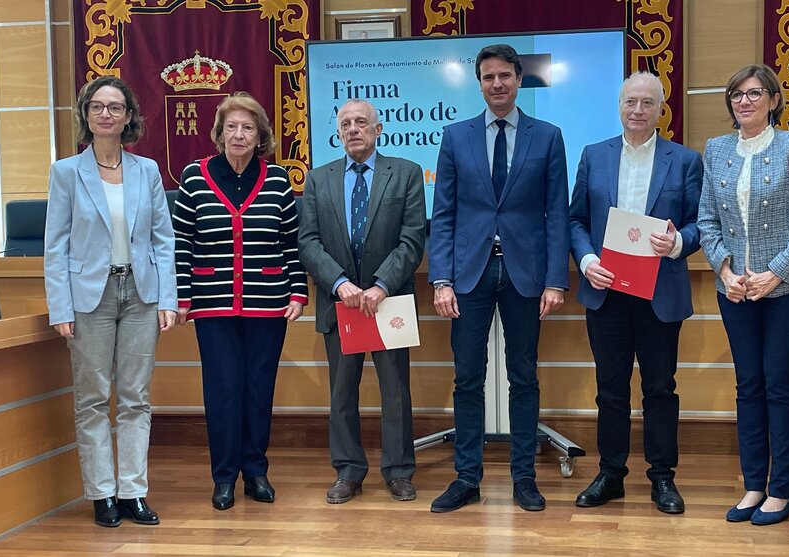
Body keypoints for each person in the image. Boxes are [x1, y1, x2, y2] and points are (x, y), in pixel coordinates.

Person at [428, 43, 569, 513]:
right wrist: (440, 279)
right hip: (468, 275)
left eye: (505, 76)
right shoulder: (456, 136)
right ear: (480, 82)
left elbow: (556, 215)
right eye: (488, 77)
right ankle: (466, 477)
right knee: (467, 378)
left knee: (523, 378)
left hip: (526, 274)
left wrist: (555, 279)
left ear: (518, 77)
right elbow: (443, 214)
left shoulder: (547, 136)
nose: (497, 84)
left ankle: (523, 478)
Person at [698, 64, 789, 525]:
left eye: (754, 93)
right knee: (748, 387)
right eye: (736, 94)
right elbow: (708, 221)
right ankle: (754, 485)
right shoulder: (715, 150)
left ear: (773, 99)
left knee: (780, 388)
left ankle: (781, 491)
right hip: (734, 291)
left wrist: (774, 275)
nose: (744, 102)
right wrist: (725, 268)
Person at [44, 76, 177, 528]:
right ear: (86, 114)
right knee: (94, 398)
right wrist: (60, 308)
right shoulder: (66, 172)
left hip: (139, 295)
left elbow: (163, 240)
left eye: (115, 107)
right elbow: (55, 246)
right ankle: (102, 494)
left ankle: (133, 492)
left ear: (128, 117)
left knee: (137, 398)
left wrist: (167, 297)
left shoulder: (148, 171)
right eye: (97, 106)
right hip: (89, 299)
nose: (106, 114)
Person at [568, 72, 702, 515]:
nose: (638, 111)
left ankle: (663, 477)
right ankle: (611, 474)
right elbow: (576, 221)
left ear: (661, 109)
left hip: (659, 292)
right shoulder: (594, 155)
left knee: (660, 388)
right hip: (606, 290)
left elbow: (702, 223)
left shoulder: (684, 161)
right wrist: (587, 262)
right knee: (610, 389)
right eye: (630, 102)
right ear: (619, 106)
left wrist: (678, 242)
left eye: (647, 103)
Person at [173, 92, 309, 510]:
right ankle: (224, 477)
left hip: (268, 303)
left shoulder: (278, 180)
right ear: (219, 133)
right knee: (222, 390)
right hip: (212, 304)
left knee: (258, 388)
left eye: (247, 127)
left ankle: (256, 471)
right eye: (231, 126)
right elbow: (181, 243)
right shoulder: (194, 177)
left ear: (260, 135)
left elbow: (292, 242)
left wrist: (298, 291)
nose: (238, 134)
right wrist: (181, 296)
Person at [298, 99, 426, 504]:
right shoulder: (318, 180)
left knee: (395, 392)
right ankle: (348, 470)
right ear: (338, 132)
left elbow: (412, 237)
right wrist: (339, 284)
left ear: (378, 128)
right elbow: (308, 241)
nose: (353, 129)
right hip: (341, 303)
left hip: (387, 301)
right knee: (341, 393)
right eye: (345, 124)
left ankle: (399, 471)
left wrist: (382, 285)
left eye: (361, 123)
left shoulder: (404, 173)